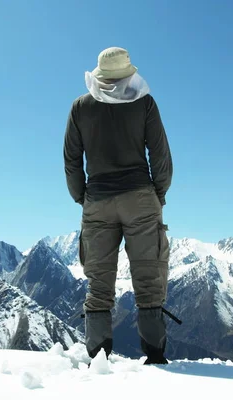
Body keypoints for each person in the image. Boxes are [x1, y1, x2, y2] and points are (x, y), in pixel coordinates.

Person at [63, 47, 173, 364]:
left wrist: (82, 196)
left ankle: (98, 359)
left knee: (99, 284)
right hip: (140, 198)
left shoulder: (80, 108)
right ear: (128, 74)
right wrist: (158, 194)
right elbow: (161, 155)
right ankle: (155, 356)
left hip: (97, 199)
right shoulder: (144, 103)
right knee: (149, 277)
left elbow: (72, 161)